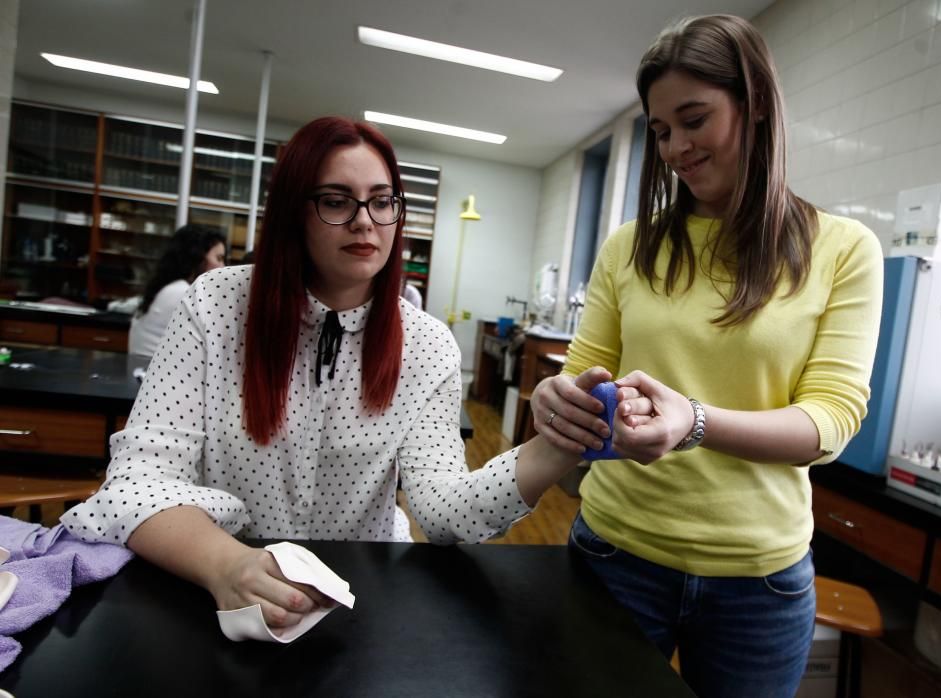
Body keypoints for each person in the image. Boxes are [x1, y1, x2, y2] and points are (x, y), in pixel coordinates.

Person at [64, 116, 604, 631]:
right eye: (336, 201)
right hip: (212, 584)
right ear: (292, 212)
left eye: (381, 201)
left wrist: (554, 448)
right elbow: (137, 482)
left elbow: (442, 511)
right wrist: (226, 565)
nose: (364, 220)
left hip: (359, 597)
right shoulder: (215, 305)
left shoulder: (426, 344)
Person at [529, 15, 883, 698]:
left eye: (694, 120)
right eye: (661, 131)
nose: (675, 148)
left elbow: (831, 421)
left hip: (760, 581)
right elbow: (583, 368)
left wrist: (694, 421)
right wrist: (559, 398)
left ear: (753, 108)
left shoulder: (841, 250)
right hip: (616, 554)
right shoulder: (630, 246)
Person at [127, 224, 227, 356]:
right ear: (197, 257)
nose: (223, 267)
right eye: (218, 258)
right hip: (158, 373)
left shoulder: (169, 288)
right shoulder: (183, 293)